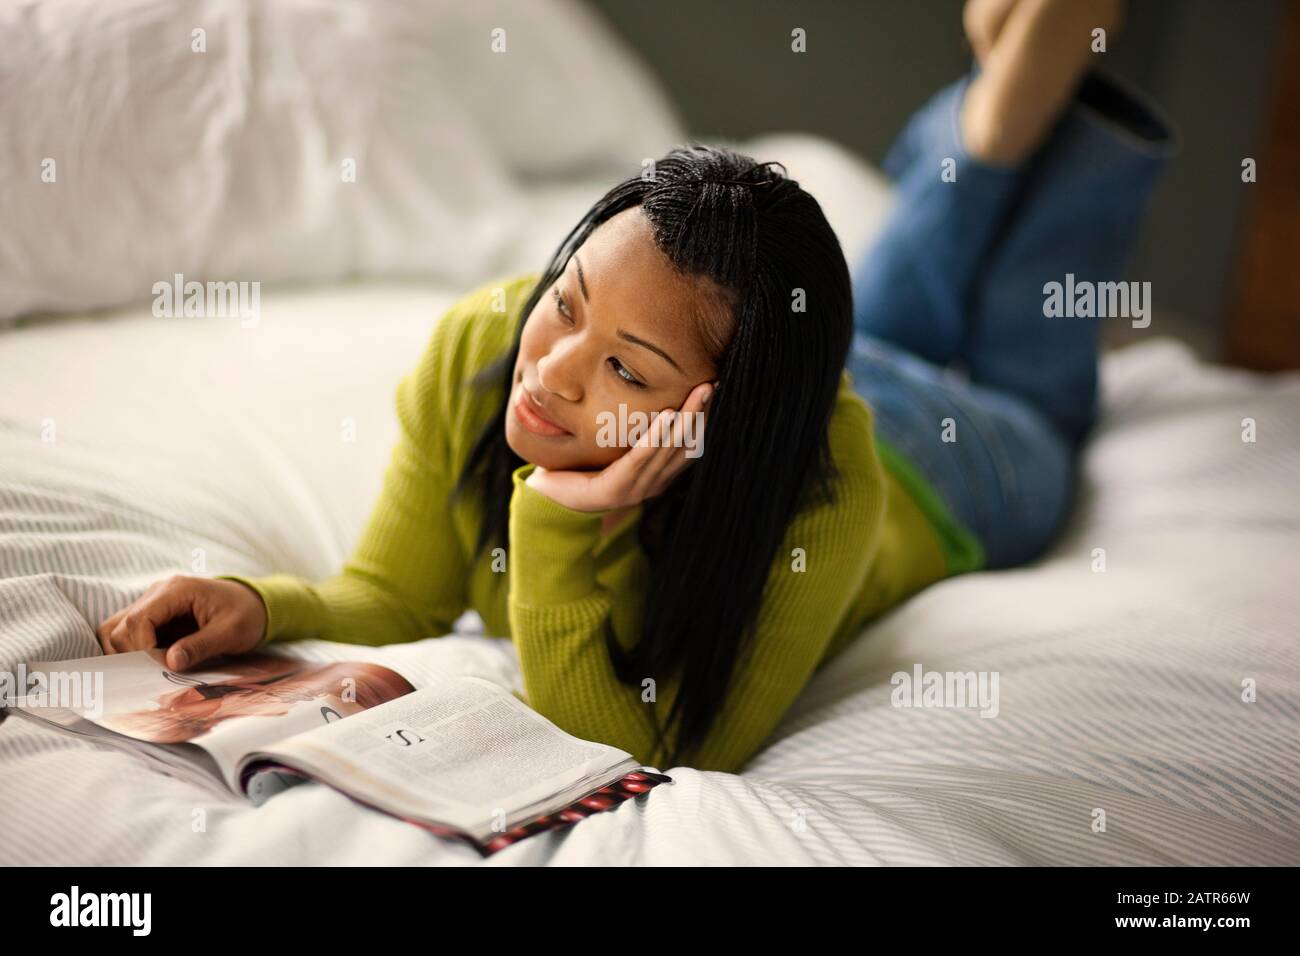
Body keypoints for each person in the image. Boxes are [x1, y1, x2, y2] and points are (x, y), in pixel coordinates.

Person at [97, 0, 1172, 773]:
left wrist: (565, 523)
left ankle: (1014, 111)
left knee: (1041, 401)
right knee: (899, 304)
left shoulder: (822, 488)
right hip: (809, 367)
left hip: (946, 469)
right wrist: (264, 602)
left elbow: (671, 743)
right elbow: (399, 594)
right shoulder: (483, 340)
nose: (549, 370)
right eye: (566, 302)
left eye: (622, 366)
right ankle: (994, 114)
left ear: (716, 411)